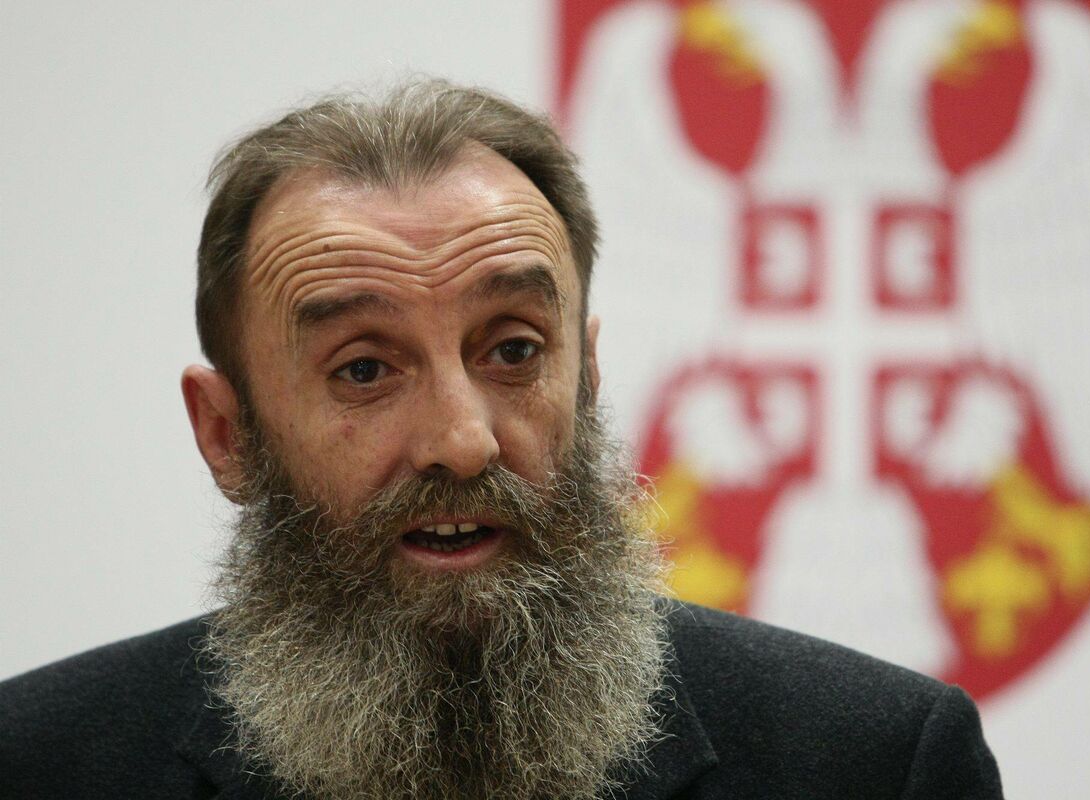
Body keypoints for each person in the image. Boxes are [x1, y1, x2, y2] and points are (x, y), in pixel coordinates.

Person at [0, 79, 1003, 800]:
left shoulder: (870, 764)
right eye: (364, 369)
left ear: (589, 377)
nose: (463, 439)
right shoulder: (39, 765)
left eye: (514, 349)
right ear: (229, 436)